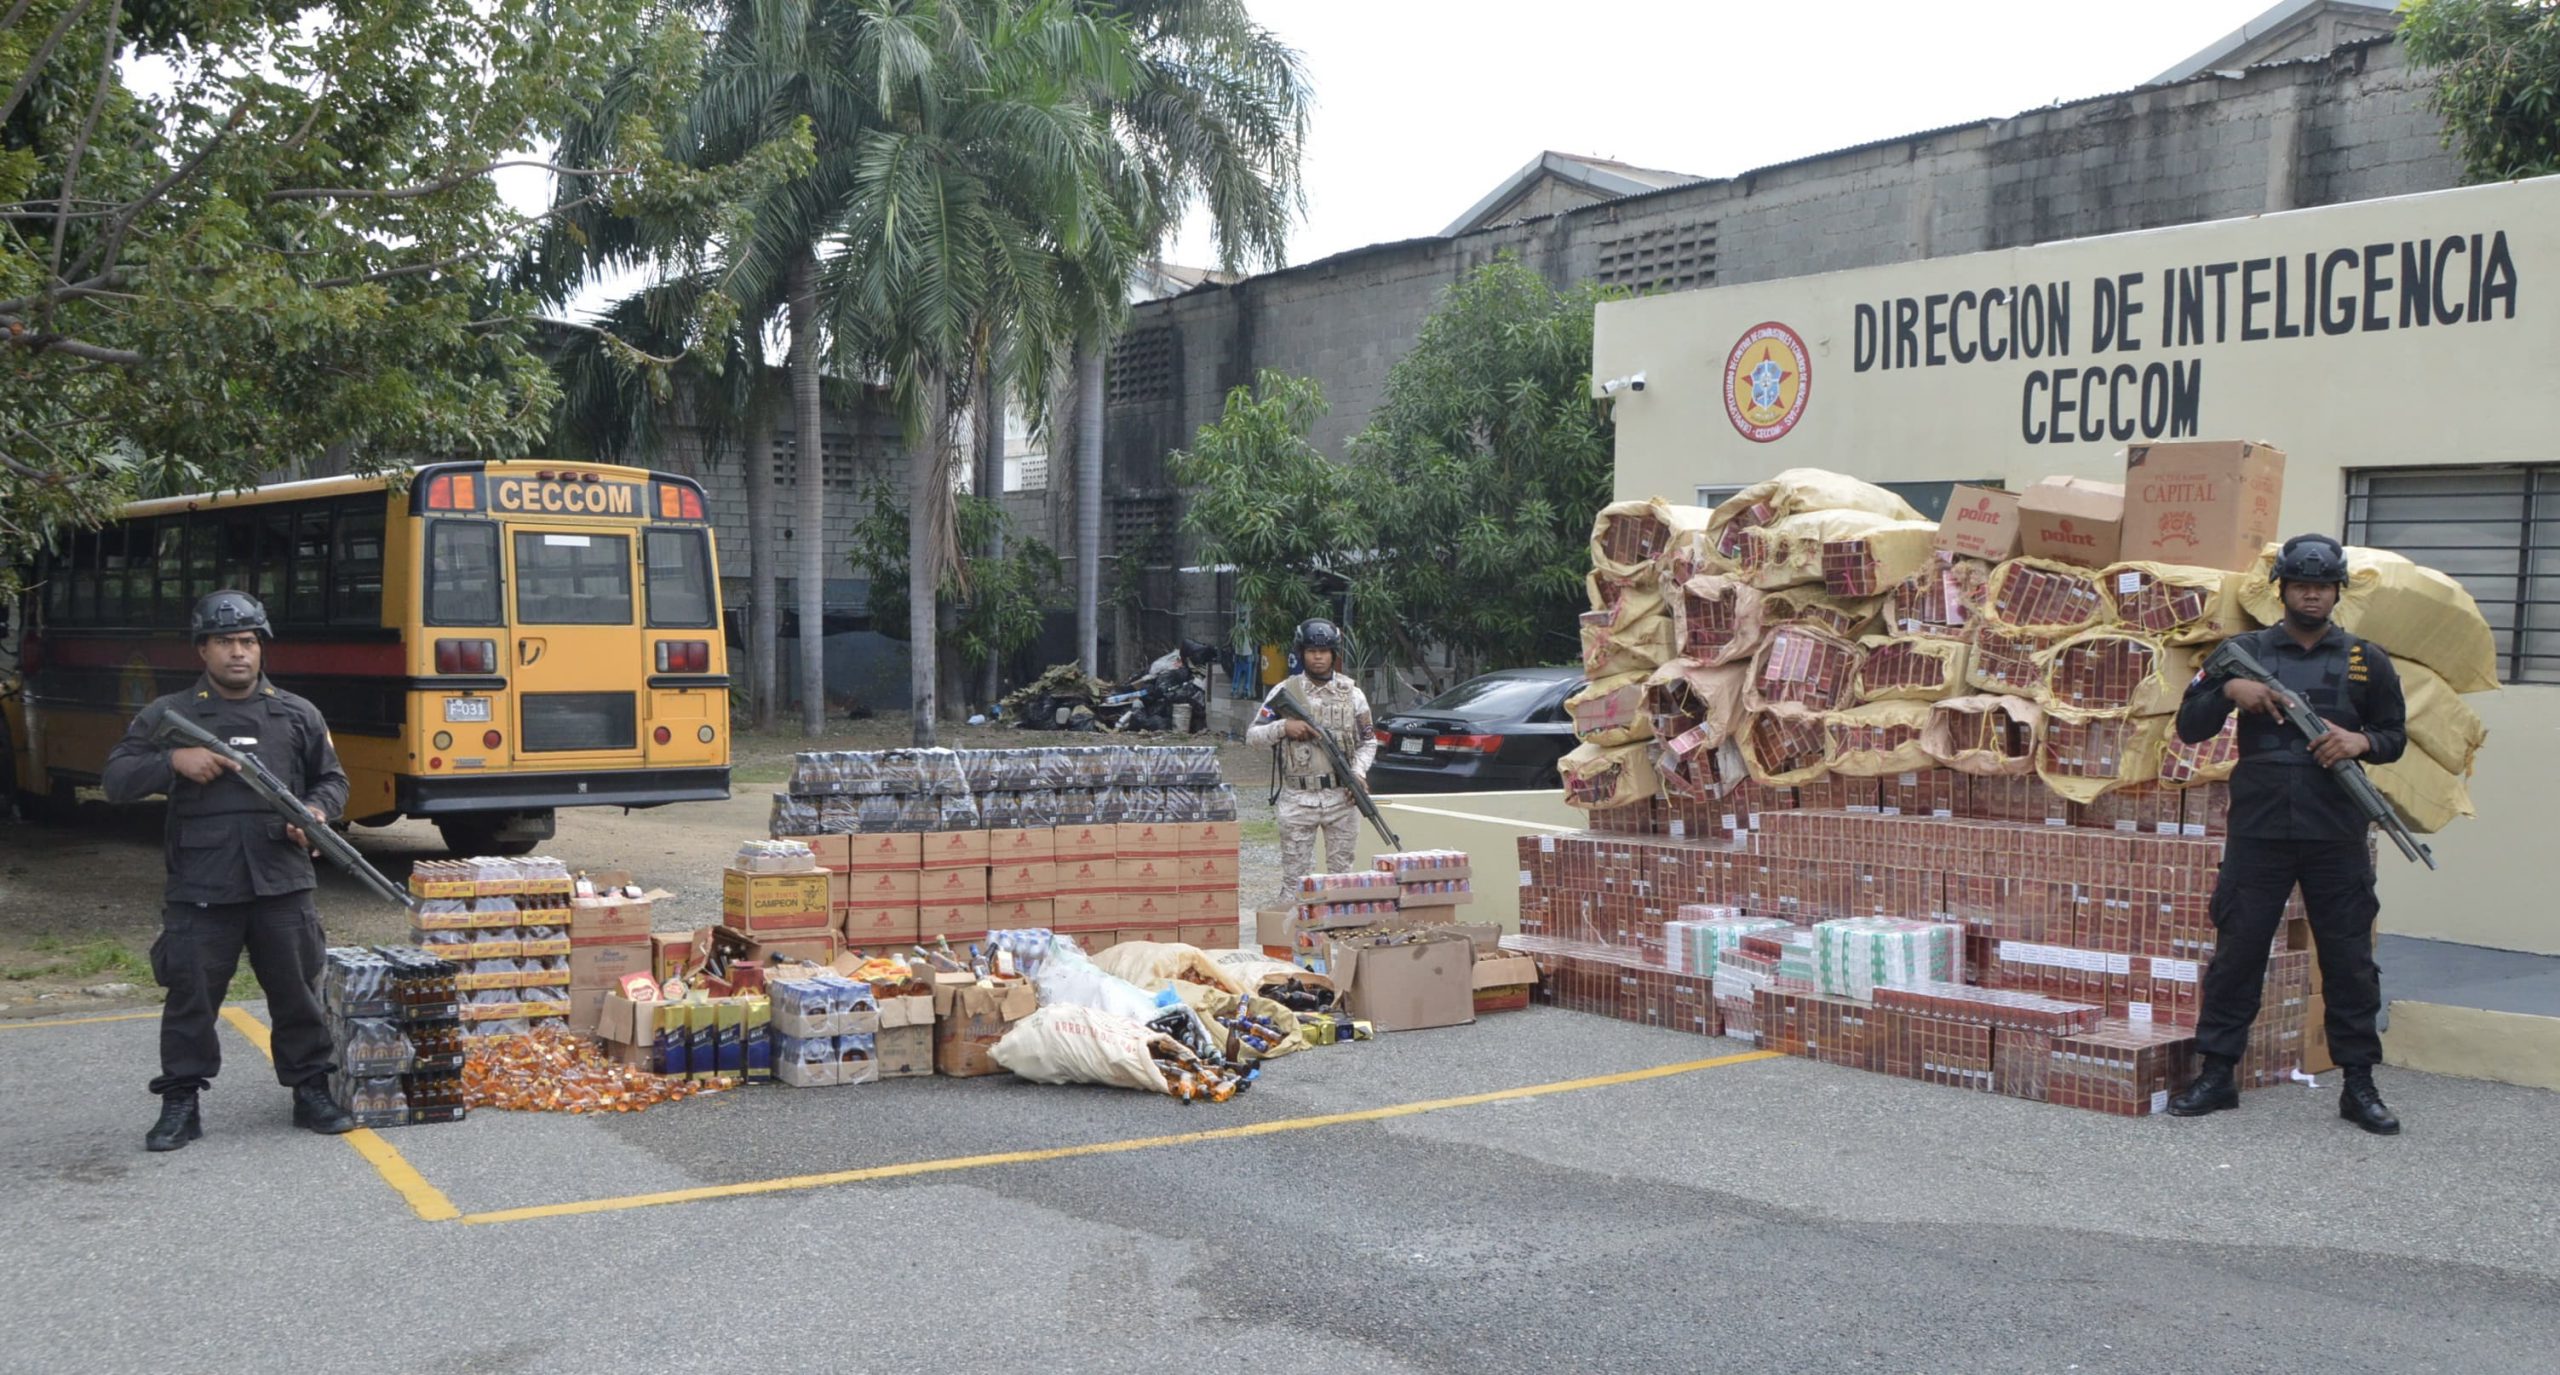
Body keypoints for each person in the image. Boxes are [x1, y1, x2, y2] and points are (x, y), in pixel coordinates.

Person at [2165, 534, 2406, 1135]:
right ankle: (2218, 1074)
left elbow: (2395, 735)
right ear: (2282, 590)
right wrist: (2227, 691)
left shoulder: (2363, 660)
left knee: (2349, 960)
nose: (2312, 595)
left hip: (2335, 834)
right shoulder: (2240, 651)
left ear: (2336, 591)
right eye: (2301, 585)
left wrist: (2360, 742)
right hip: (2260, 832)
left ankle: (2358, 1084)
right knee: (2238, 954)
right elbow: (2188, 728)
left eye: (2323, 586)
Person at [103, 590, 356, 1151]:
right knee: (191, 997)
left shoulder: (296, 713)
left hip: (282, 878)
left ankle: (311, 1090)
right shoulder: (172, 716)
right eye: (225, 642)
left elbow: (333, 781)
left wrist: (315, 813)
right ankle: (181, 1102)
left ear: (261, 648)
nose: (238, 653)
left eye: (248, 641)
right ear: (202, 650)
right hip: (201, 883)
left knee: (297, 994)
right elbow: (116, 779)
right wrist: (172, 761)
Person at [1247, 619, 1378, 906]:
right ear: (1301, 653)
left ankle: (1336, 943)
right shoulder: (1285, 691)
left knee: (1341, 881)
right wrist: (1283, 728)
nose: (1318, 656)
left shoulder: (1353, 694)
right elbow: (1253, 736)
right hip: (1298, 799)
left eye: (1324, 650)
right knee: (1294, 886)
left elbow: (1368, 741)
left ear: (1334, 654)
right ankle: (1290, 944)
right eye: (1311, 650)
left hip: (1341, 798)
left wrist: (1357, 772)